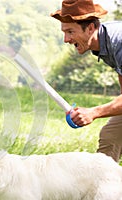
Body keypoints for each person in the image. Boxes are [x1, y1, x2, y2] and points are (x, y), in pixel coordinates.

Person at [50, 0, 122, 162]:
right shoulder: (104, 44)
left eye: (70, 32)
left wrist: (94, 112)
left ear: (90, 28)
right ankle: (103, 183)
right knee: (110, 136)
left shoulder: (119, 41)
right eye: (64, 32)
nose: (66, 39)